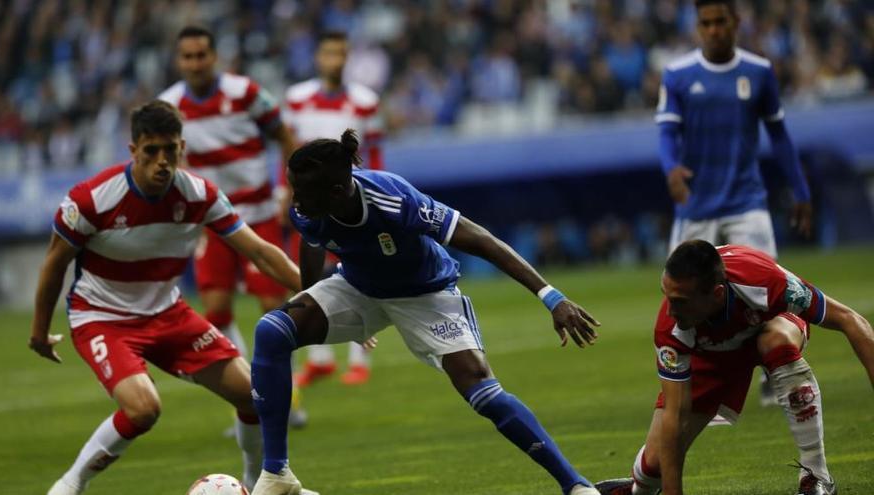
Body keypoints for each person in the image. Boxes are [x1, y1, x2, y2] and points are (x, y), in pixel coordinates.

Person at [249, 130, 602, 495]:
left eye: (301, 194)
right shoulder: (307, 208)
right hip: (358, 287)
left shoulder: (393, 199)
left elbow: (480, 239)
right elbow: (313, 246)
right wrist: (317, 303)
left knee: (482, 391)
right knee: (272, 331)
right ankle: (277, 475)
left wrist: (551, 296)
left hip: (426, 294)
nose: (293, 201)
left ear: (337, 192)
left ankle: (575, 485)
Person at [29, 101, 302, 495]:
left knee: (253, 394)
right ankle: (71, 484)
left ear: (182, 148)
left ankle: (256, 485)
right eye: (151, 151)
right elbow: (54, 264)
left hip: (167, 313)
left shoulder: (199, 195)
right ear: (133, 151)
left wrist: (318, 299)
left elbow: (259, 251)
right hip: (102, 316)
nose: (162, 161)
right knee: (143, 409)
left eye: (170, 150)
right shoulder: (92, 199)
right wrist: (39, 332)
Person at [594, 240, 874, 495]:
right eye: (666, 296)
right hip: (712, 356)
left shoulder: (768, 282)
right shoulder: (671, 329)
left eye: (679, 301)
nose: (669, 311)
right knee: (656, 464)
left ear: (716, 294)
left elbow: (851, 321)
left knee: (775, 341)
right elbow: (674, 417)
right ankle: (636, 490)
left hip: (766, 328)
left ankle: (816, 475)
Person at [657, 0, 814, 409]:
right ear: (698, 26)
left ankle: (774, 370)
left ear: (736, 23)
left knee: (768, 294)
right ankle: (686, 376)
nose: (713, 30)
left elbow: (779, 135)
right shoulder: (677, 74)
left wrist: (799, 188)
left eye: (719, 22)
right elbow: (667, 133)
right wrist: (672, 169)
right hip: (696, 206)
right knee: (680, 295)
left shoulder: (758, 72)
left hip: (747, 201)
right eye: (705, 23)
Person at [158, 25, 295, 365]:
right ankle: (250, 386)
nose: (195, 63)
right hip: (212, 219)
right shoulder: (169, 106)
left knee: (273, 308)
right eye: (188, 57)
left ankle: (286, 393)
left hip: (258, 212)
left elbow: (285, 136)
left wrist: (288, 189)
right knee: (216, 311)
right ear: (179, 61)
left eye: (201, 55)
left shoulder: (245, 92)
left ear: (214, 57)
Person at [282, 31, 385, 387]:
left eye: (341, 54)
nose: (335, 61)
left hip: (351, 198)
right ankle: (320, 357)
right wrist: (287, 191)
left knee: (359, 269)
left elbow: (374, 154)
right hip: (311, 200)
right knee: (310, 270)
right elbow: (289, 151)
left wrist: (376, 192)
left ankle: (360, 359)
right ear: (318, 57)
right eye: (329, 53)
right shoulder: (297, 99)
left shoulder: (365, 101)